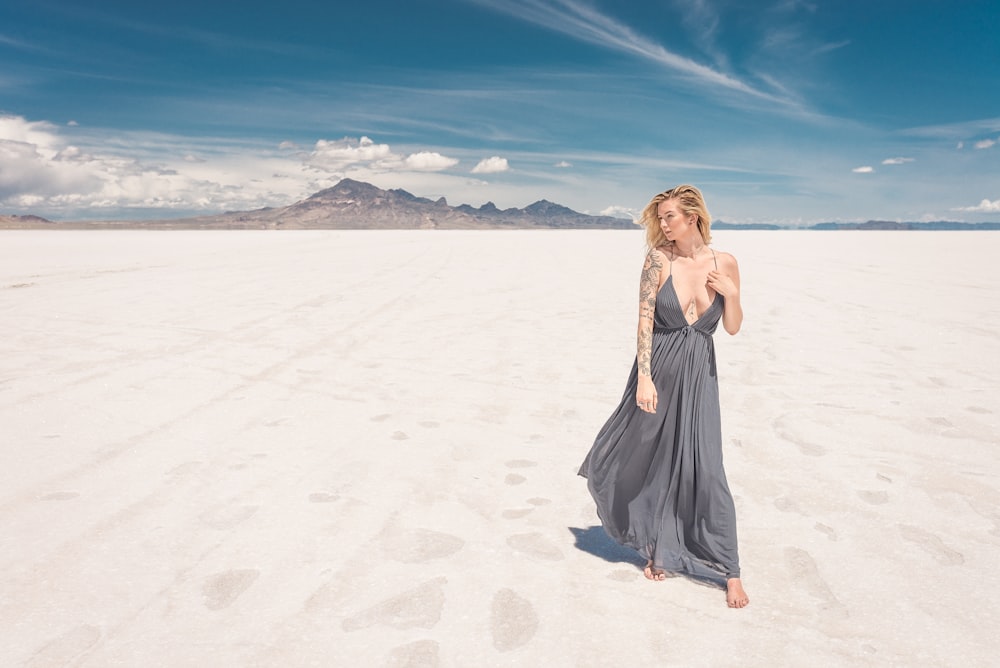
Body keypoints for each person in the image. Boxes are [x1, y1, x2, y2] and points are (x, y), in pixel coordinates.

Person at [578, 184, 749, 608]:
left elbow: (731, 327)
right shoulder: (657, 261)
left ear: (692, 217)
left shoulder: (725, 262)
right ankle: (658, 547)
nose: (662, 224)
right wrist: (644, 378)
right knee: (652, 459)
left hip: (700, 376)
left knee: (707, 469)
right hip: (659, 371)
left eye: (669, 216)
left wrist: (732, 294)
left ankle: (731, 570)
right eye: (660, 217)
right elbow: (643, 321)